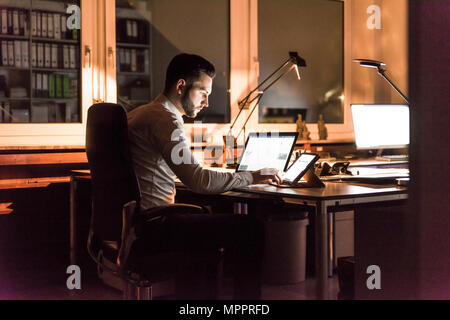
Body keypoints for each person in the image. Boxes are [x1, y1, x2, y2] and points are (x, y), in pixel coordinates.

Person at [127, 53, 283, 299]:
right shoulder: (164, 120)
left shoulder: (140, 114)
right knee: (251, 228)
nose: (207, 102)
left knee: (205, 218)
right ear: (181, 86)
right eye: (203, 92)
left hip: (134, 224)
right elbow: (198, 180)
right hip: (153, 228)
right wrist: (251, 177)